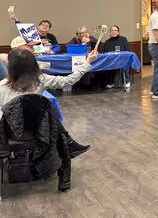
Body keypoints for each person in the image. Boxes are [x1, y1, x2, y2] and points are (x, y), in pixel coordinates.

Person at [0, 48, 95, 191]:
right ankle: (67, 151)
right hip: (39, 132)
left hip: (10, 134)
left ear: (11, 67)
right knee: (51, 118)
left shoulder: (2, 86)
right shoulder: (41, 81)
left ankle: (68, 142)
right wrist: (87, 62)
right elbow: (68, 80)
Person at [101, 25, 131, 89]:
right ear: (109, 32)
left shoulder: (123, 39)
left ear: (118, 32)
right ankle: (110, 83)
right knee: (107, 64)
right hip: (111, 61)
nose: (113, 32)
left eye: (115, 30)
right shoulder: (107, 42)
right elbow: (104, 52)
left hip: (122, 60)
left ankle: (126, 82)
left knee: (125, 64)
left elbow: (127, 50)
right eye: (112, 30)